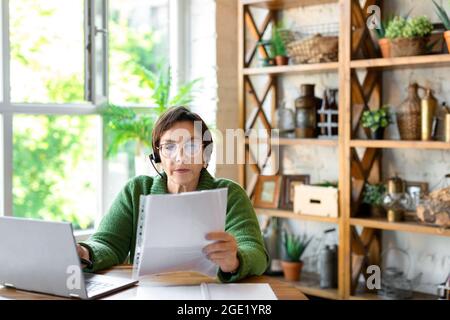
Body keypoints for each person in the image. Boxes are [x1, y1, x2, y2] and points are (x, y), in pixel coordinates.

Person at [77, 106, 268, 282]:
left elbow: (256, 253)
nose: (180, 156)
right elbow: (107, 243)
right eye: (169, 147)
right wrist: (84, 252)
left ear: (205, 155)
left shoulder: (230, 194)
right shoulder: (136, 191)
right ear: (158, 156)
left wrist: (234, 260)